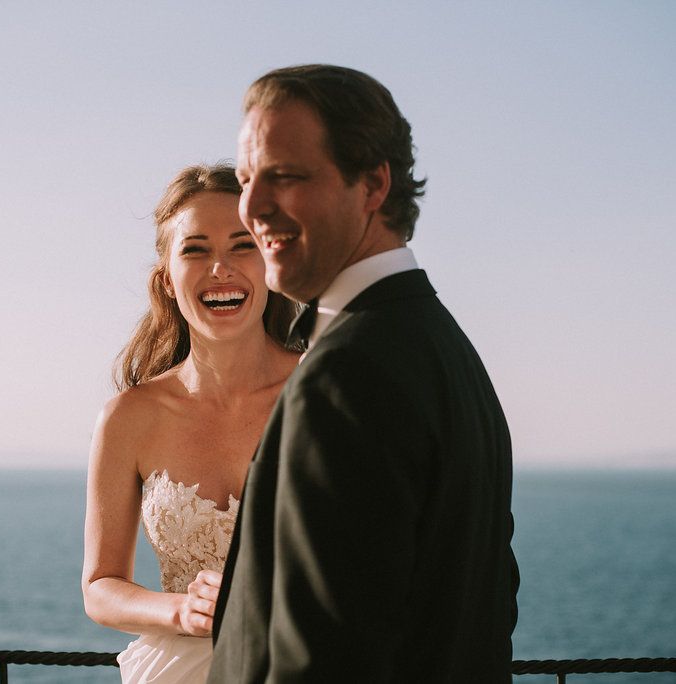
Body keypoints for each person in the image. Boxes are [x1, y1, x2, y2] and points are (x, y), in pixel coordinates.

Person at [208, 65, 520, 682]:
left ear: (373, 184)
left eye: (286, 177)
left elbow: (322, 659)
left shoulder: (347, 375)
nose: (253, 207)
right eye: (247, 179)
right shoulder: (445, 346)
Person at [81, 163, 301, 683]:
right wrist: (180, 610)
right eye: (195, 249)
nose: (220, 268)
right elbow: (101, 586)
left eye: (242, 245)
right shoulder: (128, 417)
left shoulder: (327, 395)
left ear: (271, 260)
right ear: (167, 277)